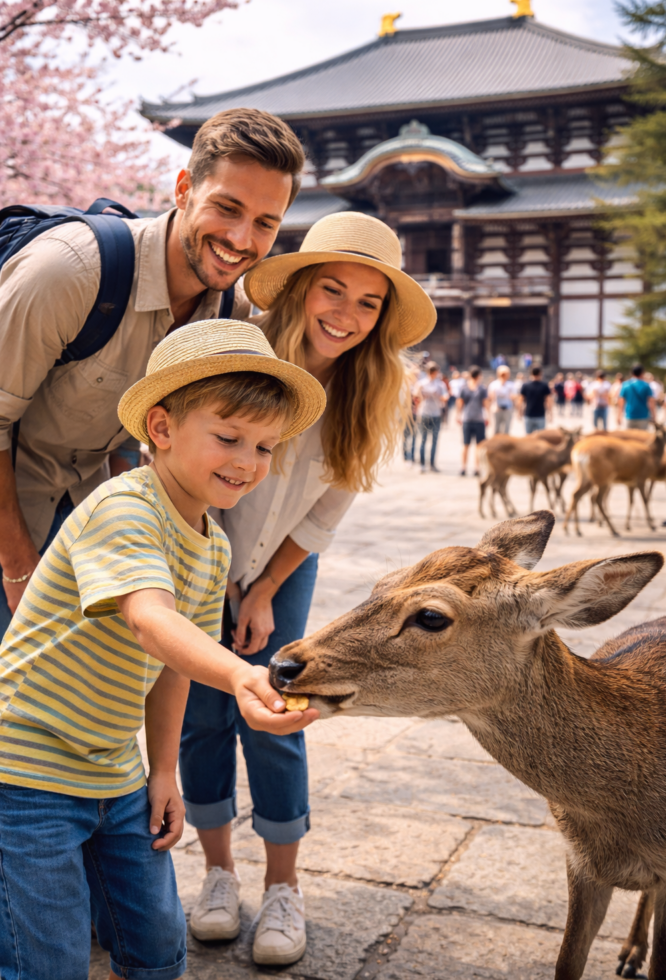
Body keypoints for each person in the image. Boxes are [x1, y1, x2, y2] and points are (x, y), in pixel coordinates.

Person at [0, 318, 325, 980]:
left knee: (156, 949)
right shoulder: (124, 509)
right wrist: (241, 675)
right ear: (162, 428)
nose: (247, 462)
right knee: (49, 962)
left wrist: (165, 772)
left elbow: (174, 663)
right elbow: (150, 621)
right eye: (229, 437)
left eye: (265, 447)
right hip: (24, 773)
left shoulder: (212, 545)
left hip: (115, 773)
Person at [178, 211, 435, 966]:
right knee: (200, 715)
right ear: (298, 290)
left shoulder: (374, 386)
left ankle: (285, 886)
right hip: (194, 551)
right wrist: (211, 576)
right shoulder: (241, 351)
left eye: (368, 302)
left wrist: (262, 592)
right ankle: (218, 875)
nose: (346, 315)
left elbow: (328, 505)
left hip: (285, 565)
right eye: (333, 289)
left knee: (282, 710)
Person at [0, 107, 306, 636]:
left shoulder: (227, 314)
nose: (240, 238)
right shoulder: (68, 273)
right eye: (227, 207)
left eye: (265, 223)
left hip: (86, 517)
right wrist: (19, 566)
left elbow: (140, 422)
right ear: (183, 188)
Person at [457, 365, 489, 475]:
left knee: (470, 445)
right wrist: (488, 416)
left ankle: (466, 467)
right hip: (475, 418)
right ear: (479, 375)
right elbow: (485, 404)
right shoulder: (480, 388)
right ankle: (473, 468)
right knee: (473, 445)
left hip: (470, 418)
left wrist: (458, 415)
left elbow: (460, 403)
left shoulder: (467, 388)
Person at [417, 362, 448, 472]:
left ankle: (432, 464)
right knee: (423, 440)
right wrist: (423, 395)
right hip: (424, 413)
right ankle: (422, 464)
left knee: (434, 440)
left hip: (436, 414)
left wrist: (437, 395)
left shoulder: (440, 384)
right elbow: (416, 398)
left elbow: (445, 398)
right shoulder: (421, 383)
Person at [618, 364, 655, 429]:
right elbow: (651, 402)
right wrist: (654, 415)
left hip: (629, 415)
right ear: (642, 373)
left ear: (631, 373)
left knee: (630, 438)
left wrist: (619, 415)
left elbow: (621, 401)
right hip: (643, 416)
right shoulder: (646, 385)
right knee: (643, 438)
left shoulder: (625, 385)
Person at [519, 366, 552, 433]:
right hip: (540, 415)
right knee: (540, 438)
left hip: (528, 414)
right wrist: (550, 413)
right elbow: (548, 401)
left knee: (529, 438)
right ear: (540, 373)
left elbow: (520, 400)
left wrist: (519, 412)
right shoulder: (544, 385)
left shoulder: (525, 385)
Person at [487, 364, 516, 434]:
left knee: (507, 430)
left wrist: (510, 396)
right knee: (495, 429)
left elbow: (515, 397)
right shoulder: (494, 384)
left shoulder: (511, 385)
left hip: (508, 409)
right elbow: (489, 398)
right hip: (496, 409)